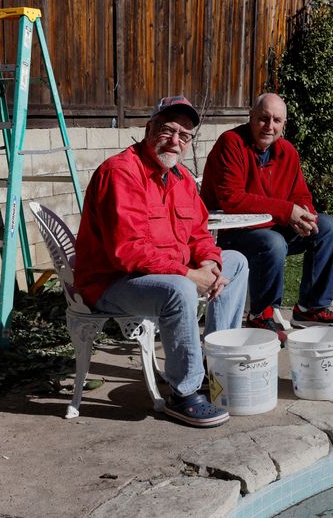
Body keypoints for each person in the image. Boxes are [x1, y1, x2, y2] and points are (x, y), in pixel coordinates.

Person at [74, 95, 248, 428]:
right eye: (168, 130)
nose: (175, 141)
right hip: (111, 281)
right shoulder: (121, 173)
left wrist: (210, 263)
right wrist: (188, 273)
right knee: (179, 289)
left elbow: (198, 232)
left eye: (184, 136)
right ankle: (184, 394)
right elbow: (127, 251)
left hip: (161, 272)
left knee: (235, 262)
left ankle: (216, 365)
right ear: (148, 128)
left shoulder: (181, 179)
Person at [200, 92, 333, 341]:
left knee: (327, 227)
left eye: (277, 120)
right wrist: (286, 211)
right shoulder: (231, 143)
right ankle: (261, 314)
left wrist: (305, 215)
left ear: (284, 124)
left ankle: (310, 308)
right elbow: (231, 198)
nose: (269, 126)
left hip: (270, 226)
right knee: (272, 242)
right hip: (230, 233)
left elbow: (300, 194)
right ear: (251, 118)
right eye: (263, 118)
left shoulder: (287, 152)